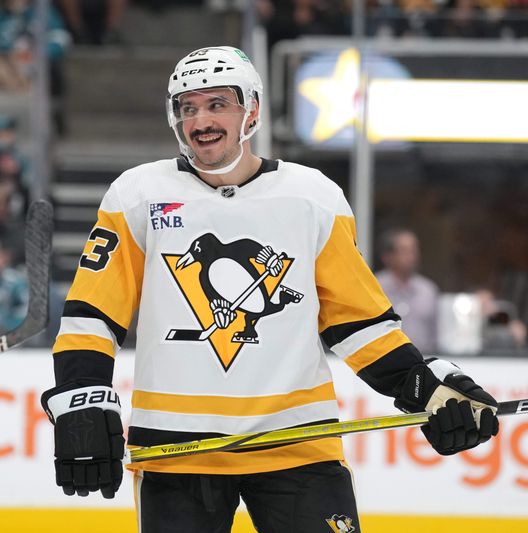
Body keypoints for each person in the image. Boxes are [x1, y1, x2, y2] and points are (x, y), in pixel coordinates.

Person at [40, 46, 499, 532]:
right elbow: (92, 312)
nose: (201, 121)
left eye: (217, 104)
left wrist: (421, 384)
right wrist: (81, 393)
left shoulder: (314, 196)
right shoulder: (136, 194)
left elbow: (357, 323)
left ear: (252, 109)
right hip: (176, 451)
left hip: (298, 446)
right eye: (188, 107)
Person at [375, 228, 440, 353]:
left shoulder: (428, 290)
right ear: (387, 257)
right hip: (384, 364)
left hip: (424, 362)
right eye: (404, 250)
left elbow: (436, 335)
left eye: (414, 250)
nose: (411, 256)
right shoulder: (375, 287)